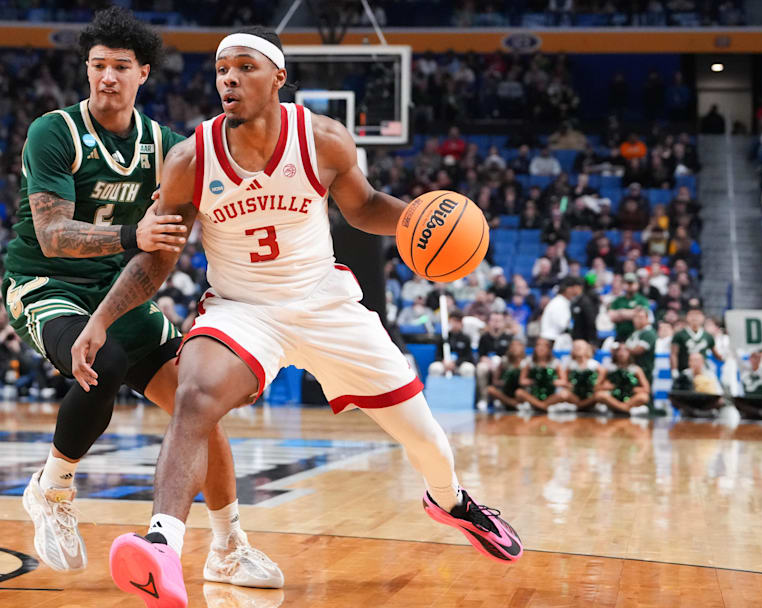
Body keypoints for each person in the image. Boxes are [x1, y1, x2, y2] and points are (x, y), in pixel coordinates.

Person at [74, 27, 523, 606]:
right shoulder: (189, 160)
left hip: (324, 304)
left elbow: (361, 208)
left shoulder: (323, 139)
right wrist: (102, 318)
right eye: (221, 70)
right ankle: (161, 545)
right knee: (195, 394)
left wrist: (419, 219)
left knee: (427, 437)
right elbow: (157, 259)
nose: (229, 79)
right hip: (243, 310)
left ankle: (452, 501)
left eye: (244, 67)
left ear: (279, 77)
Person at [1, 8, 280, 584]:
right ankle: (52, 489)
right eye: (97, 65)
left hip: (120, 292)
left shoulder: (167, 147)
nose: (107, 76)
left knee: (198, 406)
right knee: (102, 362)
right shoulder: (54, 131)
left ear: (143, 73)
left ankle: (228, 545)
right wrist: (133, 235)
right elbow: (53, 237)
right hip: (45, 284)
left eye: (120, 66)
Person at [669, 307, 723, 385]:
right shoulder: (679, 335)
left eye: (697, 315)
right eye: (692, 315)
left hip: (703, 371)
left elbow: (716, 354)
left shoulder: (708, 336)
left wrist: (726, 357)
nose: (695, 318)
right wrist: (674, 370)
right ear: (687, 317)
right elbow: (674, 354)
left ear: (703, 318)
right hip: (684, 370)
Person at [593, 344, 651, 416]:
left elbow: (646, 389)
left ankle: (618, 409)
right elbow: (596, 387)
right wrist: (609, 387)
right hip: (613, 397)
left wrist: (631, 389)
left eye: (625, 350)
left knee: (644, 397)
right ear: (615, 353)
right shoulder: (609, 369)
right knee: (600, 395)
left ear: (630, 353)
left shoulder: (636, 369)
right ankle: (627, 410)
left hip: (629, 397)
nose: (621, 353)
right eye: (619, 350)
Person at [515, 337, 568, 413]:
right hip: (534, 395)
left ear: (549, 349)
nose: (541, 348)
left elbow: (564, 381)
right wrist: (534, 381)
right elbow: (521, 381)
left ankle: (539, 406)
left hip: (550, 396)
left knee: (564, 394)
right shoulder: (529, 362)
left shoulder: (555, 362)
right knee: (519, 392)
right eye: (538, 345)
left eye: (544, 346)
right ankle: (544, 407)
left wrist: (550, 381)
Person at [475, 312, 514, 410]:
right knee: (480, 368)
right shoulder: (484, 337)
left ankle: (500, 398)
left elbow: (511, 356)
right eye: (493, 320)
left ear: (503, 323)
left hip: (504, 364)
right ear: (489, 322)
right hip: (488, 363)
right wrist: (489, 363)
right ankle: (483, 399)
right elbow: (481, 355)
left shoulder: (508, 337)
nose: (496, 323)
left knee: (503, 364)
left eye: (499, 321)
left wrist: (498, 364)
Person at [539, 275, 582, 348]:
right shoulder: (559, 303)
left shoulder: (562, 302)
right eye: (573, 289)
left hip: (554, 339)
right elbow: (563, 325)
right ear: (568, 289)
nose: (575, 293)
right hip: (551, 340)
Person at [485, 339, 526, 411]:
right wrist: (504, 382)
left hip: (521, 390)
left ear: (522, 348)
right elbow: (495, 381)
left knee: (520, 393)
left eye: (517, 345)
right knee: (490, 389)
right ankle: (515, 404)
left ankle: (515, 404)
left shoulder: (526, 362)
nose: (514, 347)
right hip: (506, 391)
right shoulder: (504, 361)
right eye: (512, 345)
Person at [608, 272, 650, 342]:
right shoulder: (618, 300)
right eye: (626, 283)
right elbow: (612, 317)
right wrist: (633, 313)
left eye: (631, 283)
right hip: (620, 335)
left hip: (637, 336)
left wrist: (620, 313)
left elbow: (642, 317)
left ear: (637, 284)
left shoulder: (642, 300)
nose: (629, 285)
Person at [562, 339, 599, 411]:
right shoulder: (570, 365)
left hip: (590, 394)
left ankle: (582, 405)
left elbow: (601, 379)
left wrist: (595, 385)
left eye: (580, 347)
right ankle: (581, 405)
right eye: (575, 347)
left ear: (587, 349)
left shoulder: (594, 364)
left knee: (599, 395)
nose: (577, 349)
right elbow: (565, 380)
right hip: (575, 394)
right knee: (564, 394)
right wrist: (568, 385)